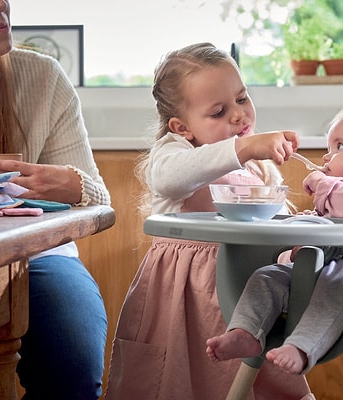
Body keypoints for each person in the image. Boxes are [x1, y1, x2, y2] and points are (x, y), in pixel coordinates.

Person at [105, 42, 313, 400]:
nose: (238, 115)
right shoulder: (175, 153)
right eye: (218, 111)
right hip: (183, 299)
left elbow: (269, 225)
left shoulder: (258, 168)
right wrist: (244, 148)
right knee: (176, 381)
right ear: (181, 127)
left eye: (242, 99)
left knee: (253, 384)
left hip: (246, 300)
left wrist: (296, 231)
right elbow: (172, 177)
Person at [206, 102, 343, 375]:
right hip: (322, 270)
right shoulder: (341, 194)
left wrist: (323, 184)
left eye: (339, 147)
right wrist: (297, 240)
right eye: (328, 150)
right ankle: (246, 332)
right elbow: (325, 223)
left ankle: (302, 349)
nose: (327, 158)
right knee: (268, 276)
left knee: (339, 282)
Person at [0, 0, 111, 399]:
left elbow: (100, 198)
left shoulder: (43, 77)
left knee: (74, 369)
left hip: (37, 258)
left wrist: (75, 186)